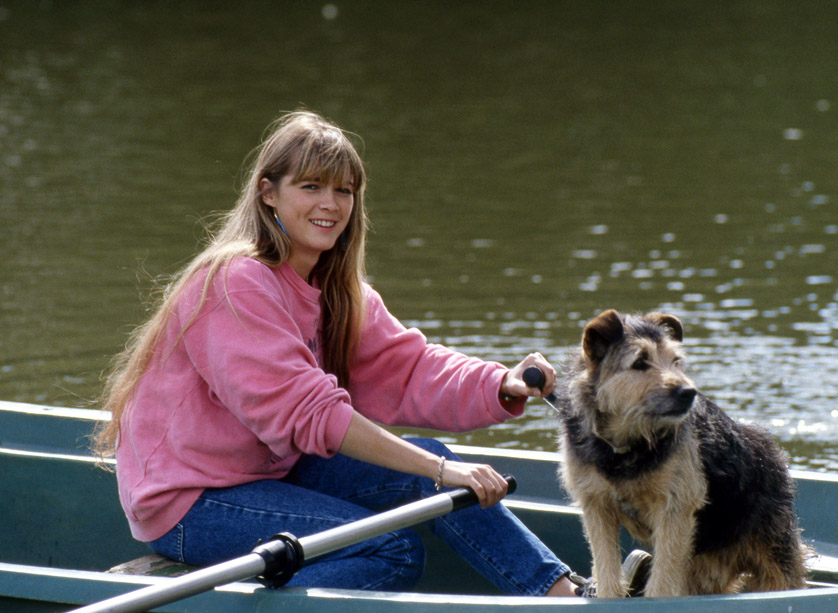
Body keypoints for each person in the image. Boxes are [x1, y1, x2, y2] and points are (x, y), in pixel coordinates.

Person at [93, 110, 586, 596]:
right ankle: (224, 602)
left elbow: (408, 370)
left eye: (343, 190)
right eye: (310, 187)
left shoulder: (337, 292)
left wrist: (501, 382)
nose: (330, 204)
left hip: (270, 471)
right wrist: (442, 470)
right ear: (269, 193)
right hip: (190, 504)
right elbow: (310, 413)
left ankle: (565, 597)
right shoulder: (235, 283)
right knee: (391, 548)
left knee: (432, 471)